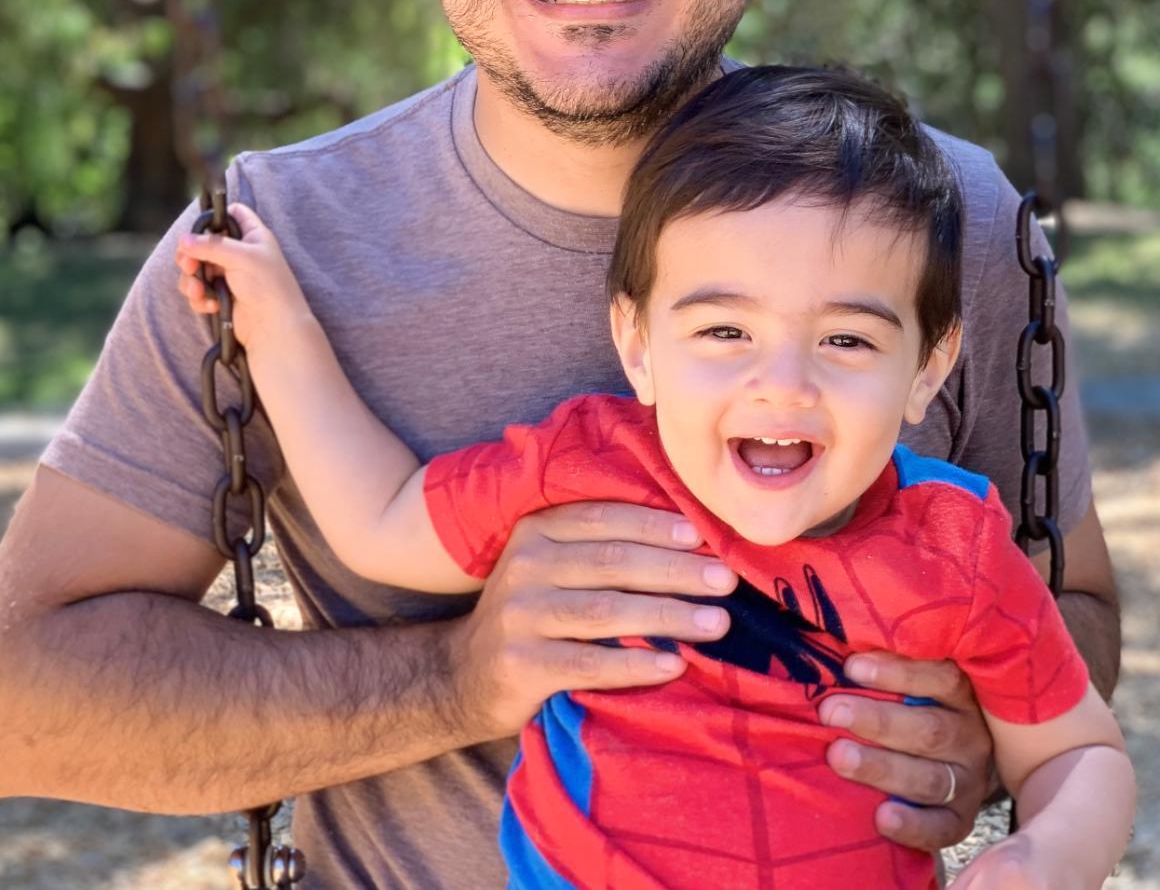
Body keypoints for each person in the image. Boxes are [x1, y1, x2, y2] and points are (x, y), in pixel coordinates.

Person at [0, 0, 1119, 889]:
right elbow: (24, 702)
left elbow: (1067, 616)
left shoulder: (949, 221)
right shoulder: (269, 246)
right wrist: (454, 679)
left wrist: (983, 747)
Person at [174, 65, 1135, 890]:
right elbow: (381, 519)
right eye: (725, 331)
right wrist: (280, 330)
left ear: (928, 365)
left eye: (846, 339)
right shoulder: (589, 465)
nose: (783, 385)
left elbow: (1077, 752)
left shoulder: (954, 550)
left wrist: (1044, 859)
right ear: (636, 343)